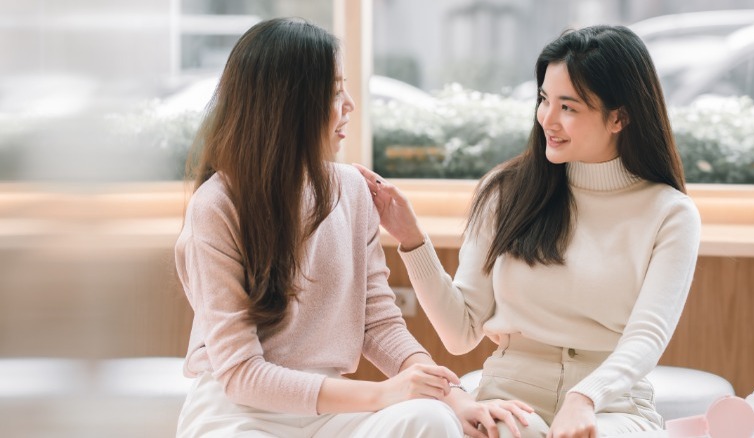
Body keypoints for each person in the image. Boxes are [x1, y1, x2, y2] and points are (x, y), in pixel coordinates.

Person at [174, 17, 532, 438]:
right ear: (290, 105)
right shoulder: (216, 207)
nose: (349, 105)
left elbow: (379, 324)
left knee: (433, 420)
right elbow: (242, 375)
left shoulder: (351, 190)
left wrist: (456, 399)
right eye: (334, 91)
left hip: (330, 411)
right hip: (239, 411)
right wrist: (383, 394)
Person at [356, 25, 701, 438]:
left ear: (619, 117)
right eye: (543, 100)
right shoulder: (506, 192)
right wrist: (411, 239)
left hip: (612, 405)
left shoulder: (670, 214)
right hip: (509, 395)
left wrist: (584, 397)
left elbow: (646, 337)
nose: (547, 120)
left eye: (568, 107)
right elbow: (460, 332)